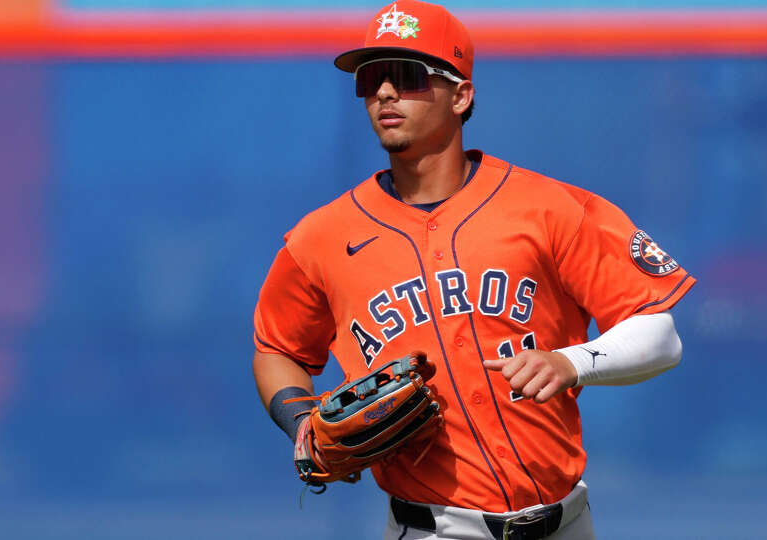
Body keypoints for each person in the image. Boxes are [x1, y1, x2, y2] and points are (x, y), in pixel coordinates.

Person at [252, 1, 695, 538]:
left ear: (461, 95)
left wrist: (572, 362)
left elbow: (661, 334)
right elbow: (278, 348)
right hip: (430, 528)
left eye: (408, 76)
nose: (385, 93)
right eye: (371, 78)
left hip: (564, 524)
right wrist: (303, 426)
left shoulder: (549, 208)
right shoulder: (320, 237)